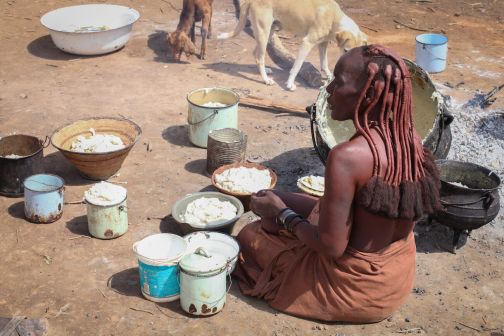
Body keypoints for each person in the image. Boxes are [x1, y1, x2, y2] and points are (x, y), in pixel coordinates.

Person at [232, 45, 442, 322]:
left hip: (353, 290)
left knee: (250, 236)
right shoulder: (409, 140)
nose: (328, 90)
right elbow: (363, 214)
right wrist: (281, 204)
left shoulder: (347, 157)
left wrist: (283, 215)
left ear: (368, 95)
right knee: (283, 199)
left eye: (338, 82)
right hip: (396, 277)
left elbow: (332, 247)